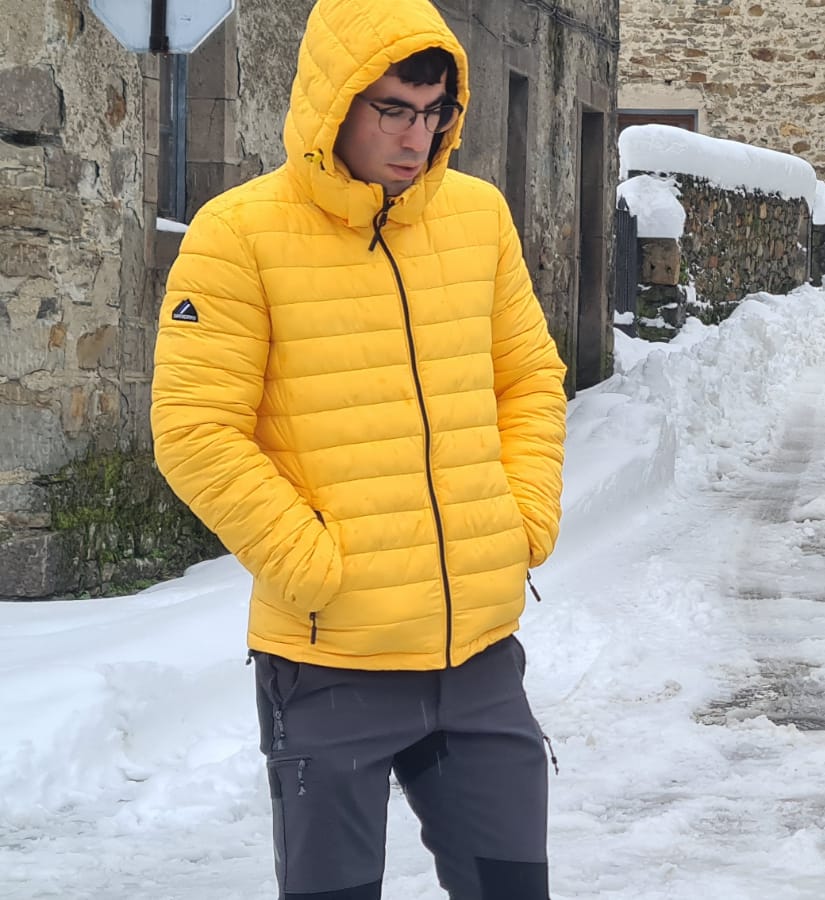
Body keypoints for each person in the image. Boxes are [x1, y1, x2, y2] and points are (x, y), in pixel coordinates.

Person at [149, 0, 567, 897]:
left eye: (435, 114)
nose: (417, 138)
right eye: (393, 110)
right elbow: (194, 428)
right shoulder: (238, 235)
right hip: (332, 660)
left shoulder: (478, 217)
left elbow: (529, 380)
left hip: (479, 657)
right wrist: (315, 566)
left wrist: (521, 519)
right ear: (334, 103)